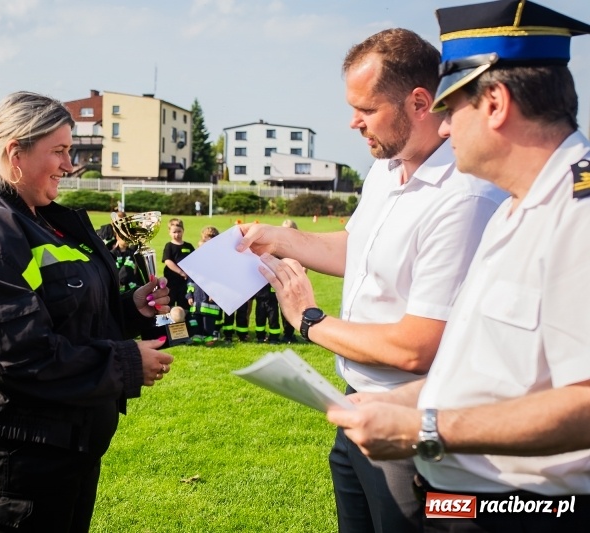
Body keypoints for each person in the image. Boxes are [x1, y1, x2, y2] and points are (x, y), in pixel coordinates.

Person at [326, 2, 590, 531]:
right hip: (463, 497)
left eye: (451, 107)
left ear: (494, 102)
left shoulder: (577, 214)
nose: (443, 130)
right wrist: (391, 405)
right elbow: (483, 368)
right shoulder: (520, 205)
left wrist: (425, 428)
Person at [239, 28, 506, 533]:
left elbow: (416, 348)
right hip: (357, 406)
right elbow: (360, 252)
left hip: (413, 424)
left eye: (366, 108)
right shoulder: (384, 168)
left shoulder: (463, 197)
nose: (352, 122)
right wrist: (279, 239)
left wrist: (310, 320)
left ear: (420, 102)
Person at [0, 91, 174, 533]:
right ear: (16, 153)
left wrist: (131, 309)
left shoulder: (40, 219)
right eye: (58, 151)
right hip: (17, 467)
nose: (69, 163)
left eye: (70, 150)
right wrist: (128, 362)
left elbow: (64, 313)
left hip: (63, 452)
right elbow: (18, 358)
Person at [186, 225, 221, 345]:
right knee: (196, 318)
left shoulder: (216, 264)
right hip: (197, 298)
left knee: (208, 320)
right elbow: (190, 281)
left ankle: (209, 336)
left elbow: (219, 281)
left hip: (209, 300)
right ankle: (197, 335)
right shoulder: (195, 265)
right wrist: (189, 295)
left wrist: (215, 293)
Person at [161, 217, 194, 310]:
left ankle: (182, 322)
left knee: (183, 304)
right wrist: (180, 272)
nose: (177, 234)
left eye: (179, 231)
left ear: (183, 231)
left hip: (185, 282)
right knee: (170, 303)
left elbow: (194, 260)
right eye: (174, 232)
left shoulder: (188, 246)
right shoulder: (169, 246)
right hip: (172, 281)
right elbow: (167, 261)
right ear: (169, 232)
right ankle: (170, 322)